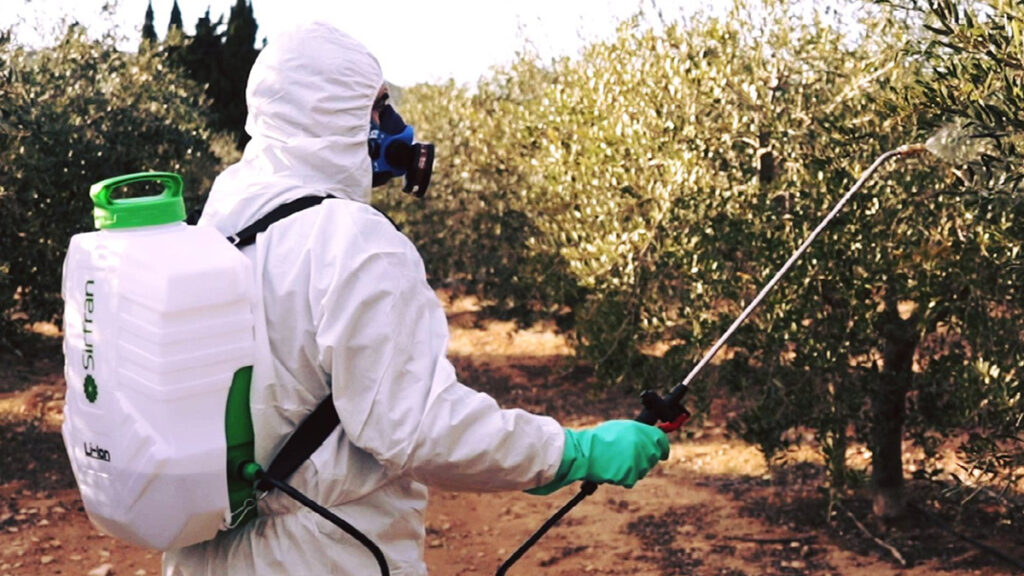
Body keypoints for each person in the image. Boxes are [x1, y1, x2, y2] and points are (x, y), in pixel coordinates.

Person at [163, 21, 669, 576]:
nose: (394, 127)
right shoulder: (352, 240)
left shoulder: (218, 225)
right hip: (325, 553)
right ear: (333, 111)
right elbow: (418, 427)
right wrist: (570, 452)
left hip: (205, 554)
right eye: (378, 107)